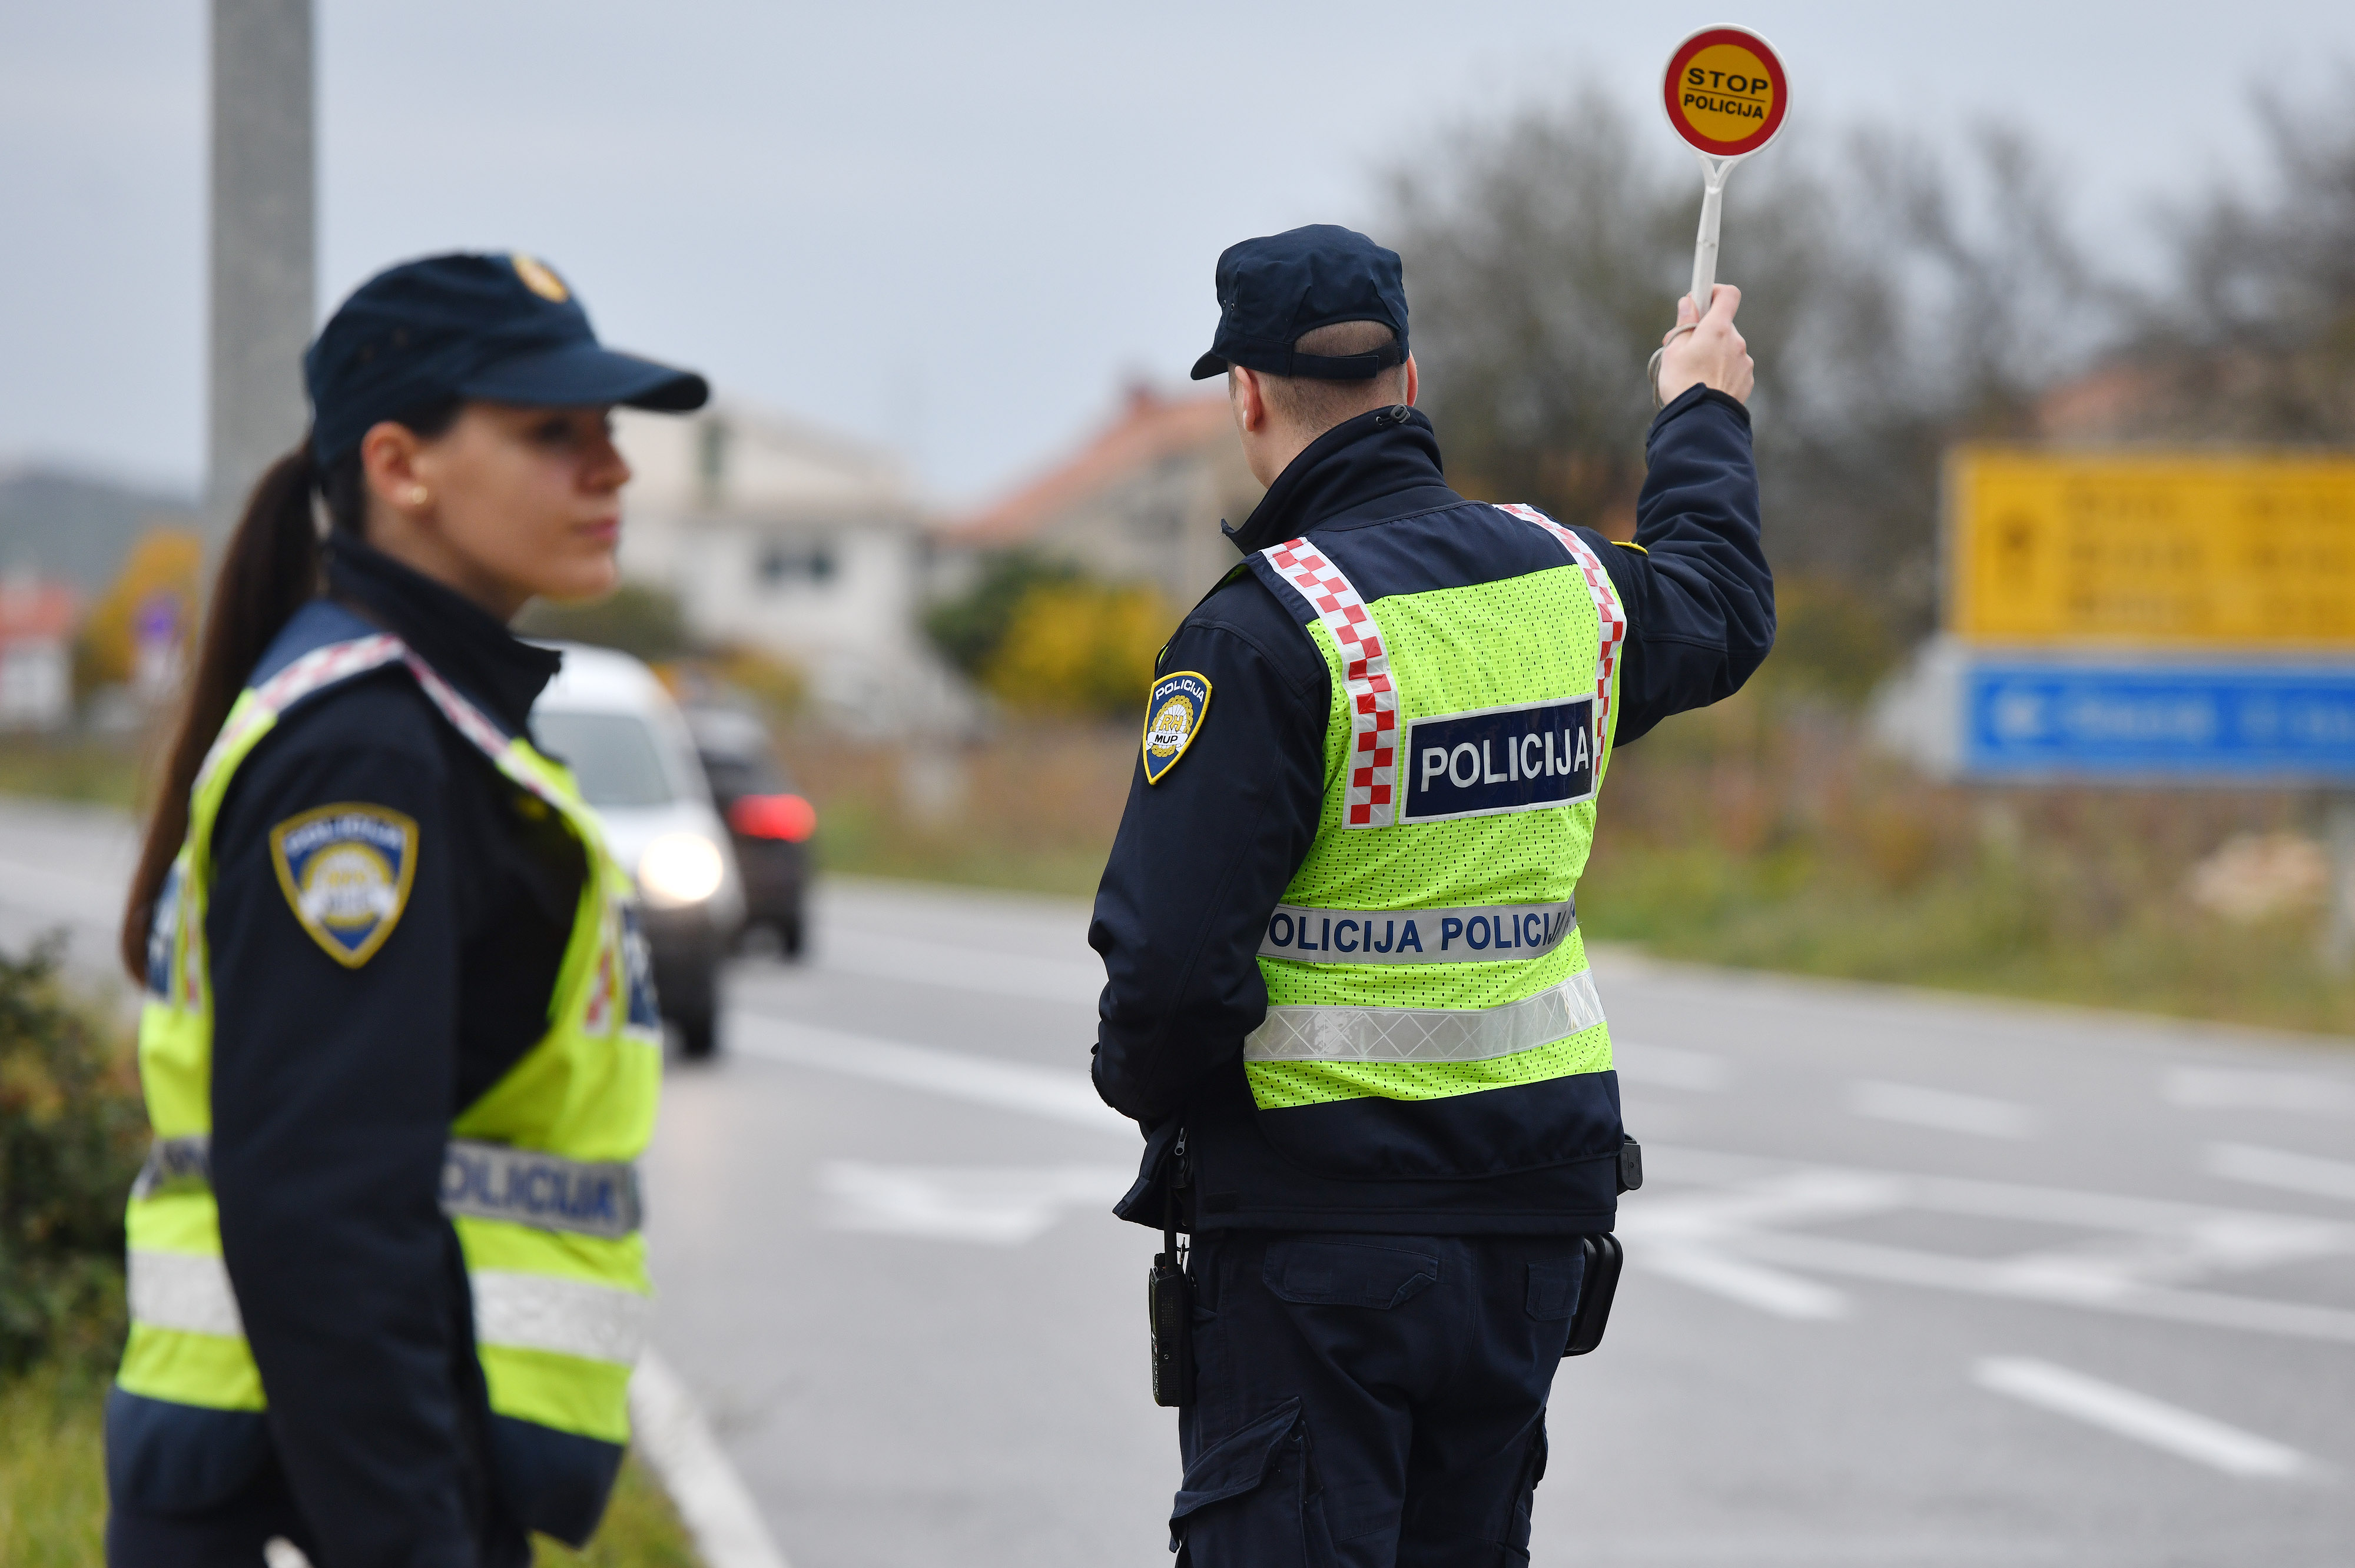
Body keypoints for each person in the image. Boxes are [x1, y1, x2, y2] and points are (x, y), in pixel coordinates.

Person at [1090, 224, 1771, 1564]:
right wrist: (1699, 407)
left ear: (1243, 395)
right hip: (1528, 1235)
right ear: (1409, 381)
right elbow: (1720, 603)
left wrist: (1155, 1099)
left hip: (1312, 1244)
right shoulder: (1567, 588)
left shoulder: (1267, 630)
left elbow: (1170, 977)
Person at [105, 252, 708, 1567]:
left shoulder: (428, 722)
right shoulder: (366, 755)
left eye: (608, 432)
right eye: (553, 432)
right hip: (309, 1487)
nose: (610, 469)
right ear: (400, 464)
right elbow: (322, 1208)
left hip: (346, 1470)